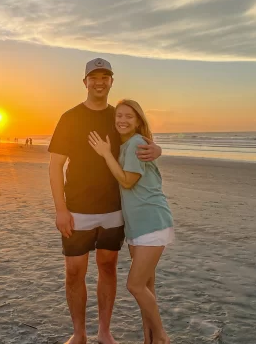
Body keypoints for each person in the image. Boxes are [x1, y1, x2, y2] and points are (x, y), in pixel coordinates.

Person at [48, 58, 162, 344]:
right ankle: (78, 333)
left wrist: (156, 148)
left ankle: (104, 331)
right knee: (74, 272)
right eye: (93, 77)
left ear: (112, 81)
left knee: (108, 266)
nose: (99, 82)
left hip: (114, 208)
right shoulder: (70, 117)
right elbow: (54, 166)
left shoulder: (117, 117)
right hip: (76, 208)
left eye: (105, 77)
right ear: (84, 81)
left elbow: (140, 139)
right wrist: (60, 209)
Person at [89, 99, 173, 344]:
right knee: (147, 287)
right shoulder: (125, 145)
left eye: (129, 116)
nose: (122, 120)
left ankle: (161, 337)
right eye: (119, 116)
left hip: (152, 222)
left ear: (138, 121)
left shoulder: (136, 143)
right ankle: (149, 340)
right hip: (137, 227)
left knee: (135, 286)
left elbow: (127, 181)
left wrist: (105, 154)